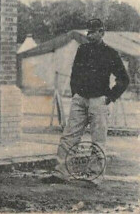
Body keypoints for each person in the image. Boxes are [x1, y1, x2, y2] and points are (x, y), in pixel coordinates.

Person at [48, 18, 129, 185]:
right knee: (69, 136)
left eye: (93, 32)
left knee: (98, 140)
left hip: (99, 101)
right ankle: (61, 173)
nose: (90, 35)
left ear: (102, 32)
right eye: (88, 32)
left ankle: (94, 177)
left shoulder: (110, 53)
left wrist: (110, 97)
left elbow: (124, 79)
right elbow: (75, 73)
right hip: (80, 100)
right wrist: (75, 94)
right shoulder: (82, 50)